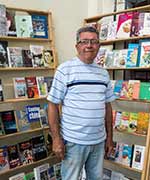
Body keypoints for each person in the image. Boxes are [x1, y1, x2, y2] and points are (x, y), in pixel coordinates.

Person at [47, 26, 115, 180]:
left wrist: (109, 138)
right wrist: (56, 139)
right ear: (77, 46)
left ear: (99, 46)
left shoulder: (103, 74)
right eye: (84, 41)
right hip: (73, 142)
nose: (89, 45)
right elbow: (52, 105)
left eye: (94, 42)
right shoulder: (64, 70)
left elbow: (107, 107)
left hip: (98, 141)